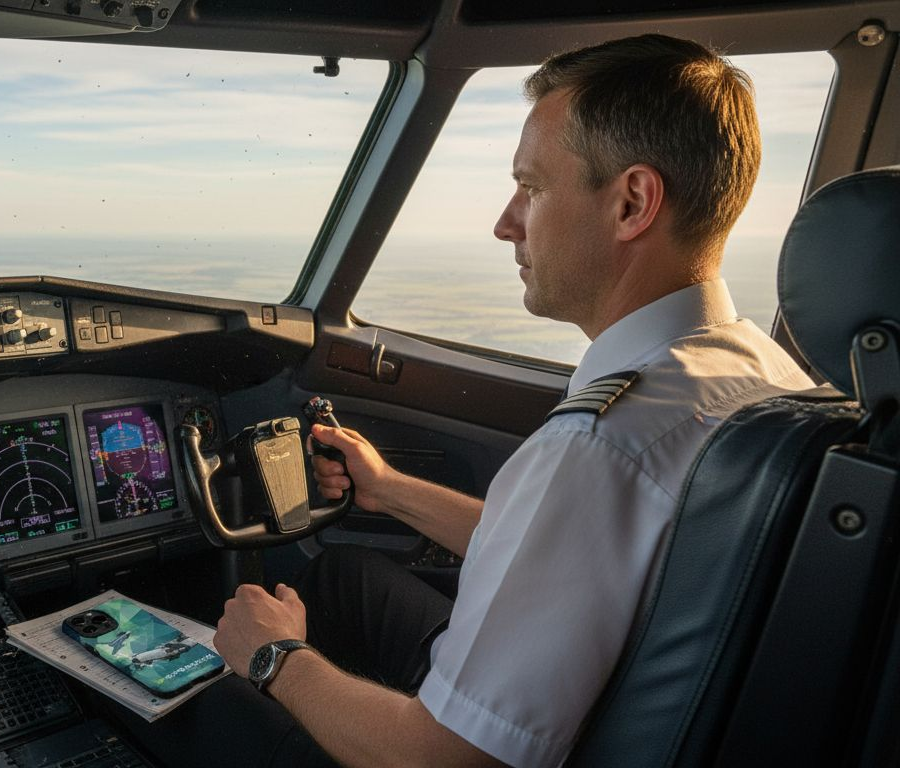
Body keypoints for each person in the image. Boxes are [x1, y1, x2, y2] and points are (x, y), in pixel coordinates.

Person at [128, 34, 815, 768]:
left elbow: (446, 757)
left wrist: (274, 659)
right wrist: (387, 490)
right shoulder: (764, 375)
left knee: (155, 681)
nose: (505, 222)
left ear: (632, 203)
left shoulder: (603, 446)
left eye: (532, 187)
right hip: (627, 712)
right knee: (345, 580)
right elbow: (573, 549)